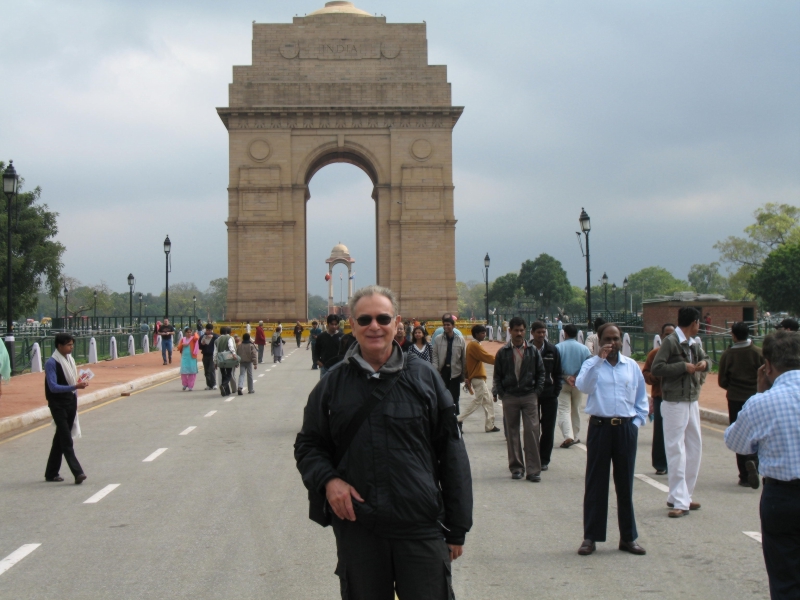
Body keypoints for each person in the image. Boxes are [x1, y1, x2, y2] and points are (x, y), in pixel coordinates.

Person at [294, 285, 473, 599]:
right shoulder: (332, 384)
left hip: (420, 524)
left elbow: (452, 452)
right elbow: (308, 444)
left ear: (396, 322)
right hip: (360, 528)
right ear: (352, 324)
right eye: (364, 319)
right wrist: (328, 480)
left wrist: (457, 528)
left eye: (382, 318)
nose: (374, 326)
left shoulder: (426, 379)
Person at [724, 331, 800, 599]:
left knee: (785, 578)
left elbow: (737, 443)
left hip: (782, 496)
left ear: (766, 366)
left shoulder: (762, 402)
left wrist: (757, 394)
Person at [576, 324, 648, 556]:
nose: (612, 343)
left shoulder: (632, 367)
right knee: (596, 484)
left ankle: (628, 537)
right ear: (599, 341)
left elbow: (641, 400)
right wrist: (598, 360)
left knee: (625, 484)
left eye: (616, 339)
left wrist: (635, 425)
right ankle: (591, 537)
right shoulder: (591, 364)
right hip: (600, 428)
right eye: (607, 339)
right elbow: (583, 386)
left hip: (625, 429)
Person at [651, 306, 709, 518]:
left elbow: (708, 360)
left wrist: (704, 363)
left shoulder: (693, 343)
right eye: (698, 322)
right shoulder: (671, 342)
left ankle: (683, 495)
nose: (699, 326)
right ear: (694, 322)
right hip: (674, 401)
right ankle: (680, 500)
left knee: (694, 448)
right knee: (676, 450)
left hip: (691, 400)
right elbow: (657, 368)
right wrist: (683, 367)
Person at [492, 317, 545, 482]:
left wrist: (536, 392)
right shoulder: (503, 352)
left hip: (529, 395)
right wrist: (502, 393)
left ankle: (533, 470)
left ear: (525, 331)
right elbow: (497, 376)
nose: (519, 333)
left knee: (532, 432)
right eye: (516, 330)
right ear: (510, 332)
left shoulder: (532, 351)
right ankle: (516, 467)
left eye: (522, 330)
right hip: (510, 396)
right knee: (512, 432)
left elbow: (541, 373)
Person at [718, 321, 764, 486]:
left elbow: (722, 380)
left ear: (734, 335)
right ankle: (756, 463)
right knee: (758, 432)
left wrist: (732, 387)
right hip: (756, 398)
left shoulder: (728, 355)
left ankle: (744, 474)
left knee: (739, 433)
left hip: (735, 398)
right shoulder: (758, 353)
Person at [44, 333, 89, 485]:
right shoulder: (52, 363)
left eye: (72, 344)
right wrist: (75, 386)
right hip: (57, 404)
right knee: (66, 439)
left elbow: (71, 381)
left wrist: (78, 385)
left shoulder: (70, 360)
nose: (71, 347)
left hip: (70, 401)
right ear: (59, 346)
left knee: (60, 438)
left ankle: (51, 473)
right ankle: (78, 472)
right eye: (68, 345)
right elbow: (53, 387)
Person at [642, 323, 676, 475]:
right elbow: (646, 374)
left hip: (677, 399)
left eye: (672, 334)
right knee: (660, 433)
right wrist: (657, 376)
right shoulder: (654, 354)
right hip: (660, 398)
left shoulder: (679, 353)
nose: (669, 336)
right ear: (661, 336)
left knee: (677, 432)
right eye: (666, 334)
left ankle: (676, 464)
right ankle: (660, 464)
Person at [531, 321, 563, 470]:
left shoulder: (552, 350)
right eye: (539, 332)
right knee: (532, 428)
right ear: (532, 333)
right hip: (531, 395)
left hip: (549, 395)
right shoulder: (527, 349)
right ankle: (532, 456)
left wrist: (556, 391)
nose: (541, 335)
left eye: (544, 332)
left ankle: (544, 459)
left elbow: (558, 372)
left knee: (548, 428)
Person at [556, 324, 592, 449]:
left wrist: (567, 377)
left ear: (564, 333)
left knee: (564, 410)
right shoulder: (584, 349)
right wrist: (577, 377)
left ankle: (568, 436)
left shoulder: (558, 348)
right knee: (575, 409)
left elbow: (555, 367)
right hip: (578, 384)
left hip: (562, 383)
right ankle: (575, 436)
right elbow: (588, 366)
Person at [458, 324, 499, 433]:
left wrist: (467, 376)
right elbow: (486, 356)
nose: (484, 335)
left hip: (477, 377)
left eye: (485, 333)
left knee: (488, 401)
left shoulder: (473, 345)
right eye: (482, 333)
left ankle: (490, 425)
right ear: (476, 334)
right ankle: (458, 419)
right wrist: (500, 360)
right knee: (478, 401)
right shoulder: (474, 345)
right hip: (477, 377)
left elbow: (467, 363)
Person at [432, 314, 468, 414]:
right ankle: (443, 423)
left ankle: (456, 423)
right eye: (445, 325)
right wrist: (436, 370)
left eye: (448, 325)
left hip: (455, 372)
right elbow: (434, 355)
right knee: (442, 397)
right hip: (442, 372)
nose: (446, 327)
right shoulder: (438, 339)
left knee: (455, 398)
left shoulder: (460, 339)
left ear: (453, 326)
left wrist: (464, 375)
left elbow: (463, 358)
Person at [216, 326, 238, 396]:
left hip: (220, 358)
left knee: (223, 374)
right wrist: (234, 354)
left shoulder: (217, 340)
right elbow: (231, 347)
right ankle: (224, 385)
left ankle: (226, 391)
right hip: (228, 358)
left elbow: (215, 351)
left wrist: (214, 361)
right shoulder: (229, 338)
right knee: (229, 373)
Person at [176, 327, 199, 391]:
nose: (189, 333)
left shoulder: (193, 339)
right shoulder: (183, 339)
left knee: (192, 372)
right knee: (183, 372)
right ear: (185, 333)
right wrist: (183, 344)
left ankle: (190, 386)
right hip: (185, 357)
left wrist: (195, 333)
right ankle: (185, 384)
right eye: (187, 332)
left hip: (192, 357)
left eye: (190, 332)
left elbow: (197, 337)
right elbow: (178, 347)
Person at [198, 324, 218, 390]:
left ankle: (214, 384)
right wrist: (202, 344)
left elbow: (218, 338)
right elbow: (199, 347)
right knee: (206, 371)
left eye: (210, 330)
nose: (208, 332)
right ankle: (209, 384)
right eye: (207, 330)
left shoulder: (215, 336)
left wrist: (213, 336)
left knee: (211, 369)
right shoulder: (202, 337)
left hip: (212, 355)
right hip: (205, 355)